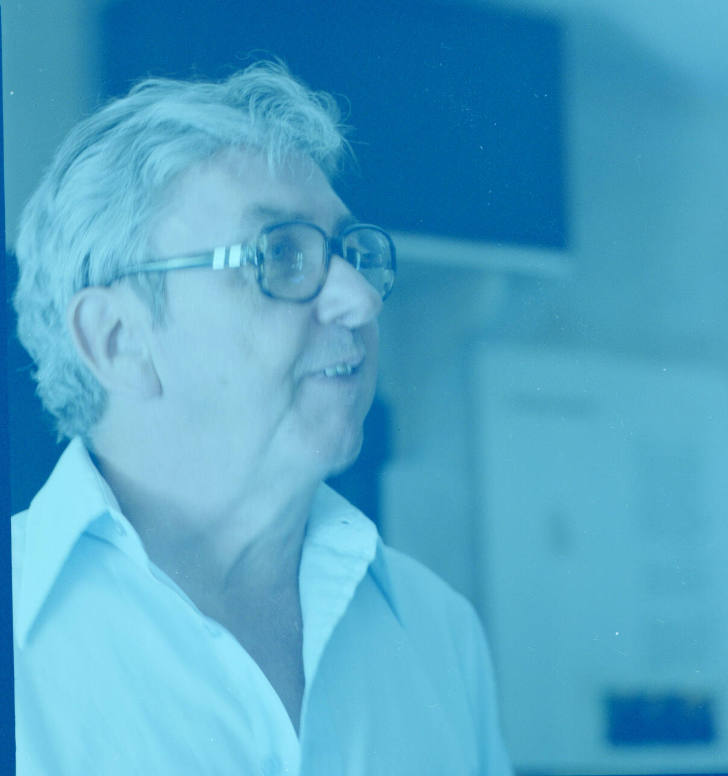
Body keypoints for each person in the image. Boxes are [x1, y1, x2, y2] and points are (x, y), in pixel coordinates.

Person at [11, 62, 512, 774]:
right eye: (279, 254)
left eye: (348, 254)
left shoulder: (440, 632)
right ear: (118, 341)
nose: (359, 301)